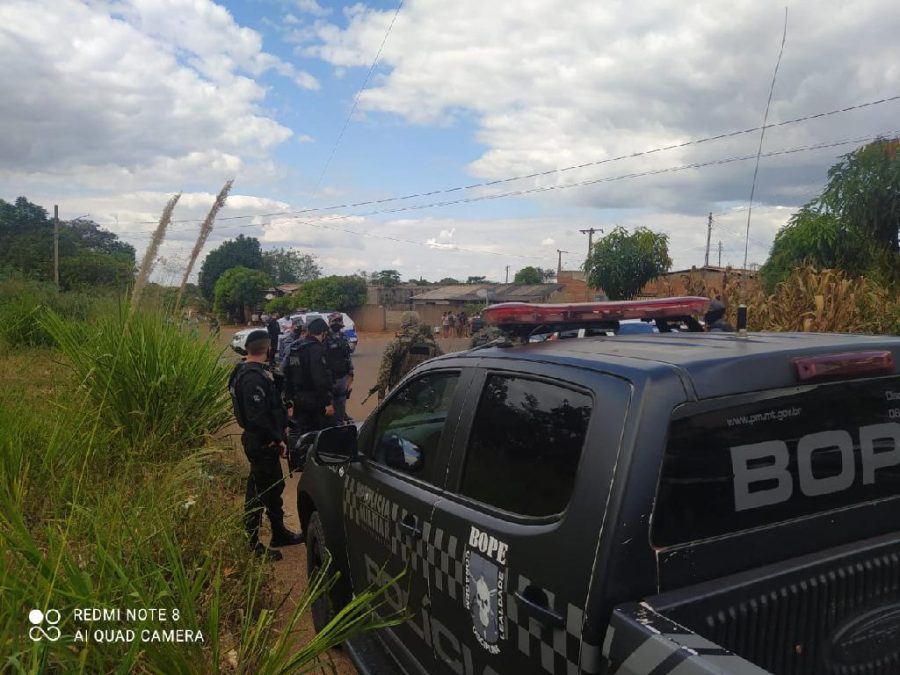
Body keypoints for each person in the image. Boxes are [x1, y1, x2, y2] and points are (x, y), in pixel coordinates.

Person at [228, 330, 303, 561]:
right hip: (261, 441)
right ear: (268, 348)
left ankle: (278, 532)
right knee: (259, 493)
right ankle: (252, 544)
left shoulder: (251, 371)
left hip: (265, 440)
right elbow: (256, 417)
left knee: (271, 489)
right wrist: (278, 438)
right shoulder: (252, 377)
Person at [283, 317, 335, 441]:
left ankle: (299, 457)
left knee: (301, 433)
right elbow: (319, 379)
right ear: (323, 333)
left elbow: (287, 375)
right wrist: (327, 403)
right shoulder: (317, 350)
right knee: (318, 435)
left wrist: (289, 402)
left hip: (298, 400)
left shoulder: (296, 349)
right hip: (316, 401)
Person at [373, 312, 443, 401]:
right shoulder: (432, 345)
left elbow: (385, 372)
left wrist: (381, 396)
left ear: (403, 323)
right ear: (418, 323)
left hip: (398, 393)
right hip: (424, 395)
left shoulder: (395, 344)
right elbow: (441, 367)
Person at [325, 312, 355, 424]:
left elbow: (347, 357)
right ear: (330, 322)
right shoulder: (324, 338)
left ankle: (340, 428)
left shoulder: (343, 336)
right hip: (330, 379)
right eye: (335, 321)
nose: (337, 323)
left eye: (339, 321)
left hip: (343, 378)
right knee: (329, 412)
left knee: (341, 410)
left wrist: (351, 376)